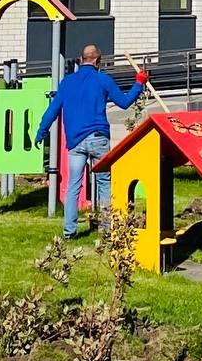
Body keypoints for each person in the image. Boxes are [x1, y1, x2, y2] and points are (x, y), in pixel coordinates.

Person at [33, 43, 145, 237]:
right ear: (98, 61)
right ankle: (106, 230)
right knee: (104, 183)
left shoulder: (67, 82)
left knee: (73, 185)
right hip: (98, 138)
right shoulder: (103, 80)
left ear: (80, 59)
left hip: (75, 142)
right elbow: (125, 102)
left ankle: (69, 231)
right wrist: (139, 83)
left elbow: (53, 110)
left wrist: (41, 132)